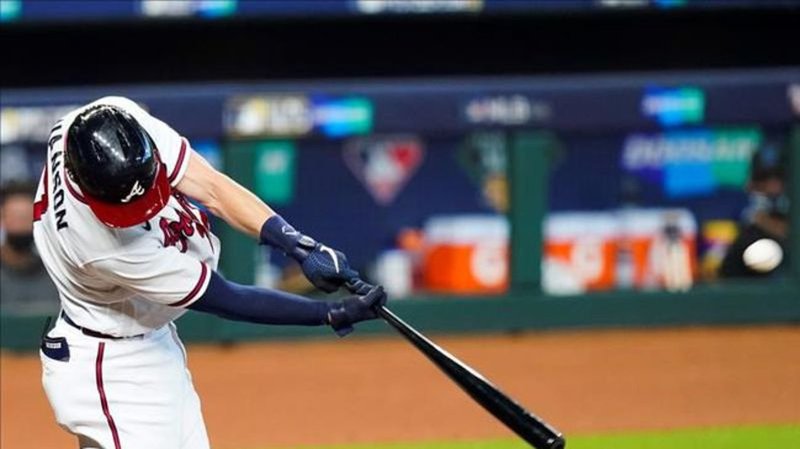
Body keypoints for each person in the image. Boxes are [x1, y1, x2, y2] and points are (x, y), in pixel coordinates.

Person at [33, 96, 385, 449]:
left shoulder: (106, 123)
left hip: (150, 341)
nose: (141, 209)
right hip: (110, 366)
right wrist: (330, 313)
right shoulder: (98, 246)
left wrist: (299, 245)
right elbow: (227, 298)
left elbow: (212, 188)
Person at [719, 143, 790, 278]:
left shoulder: (791, 208)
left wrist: (764, 221)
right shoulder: (741, 213)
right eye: (763, 178)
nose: (771, 186)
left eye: (779, 178)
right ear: (751, 183)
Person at [0, 181, 60, 316]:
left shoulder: (55, 273)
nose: (21, 226)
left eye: (27, 218)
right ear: (2, 218)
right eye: (16, 218)